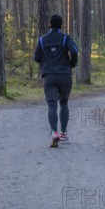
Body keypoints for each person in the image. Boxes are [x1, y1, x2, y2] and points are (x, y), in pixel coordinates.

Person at [34, 14, 79, 147]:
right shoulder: (66, 38)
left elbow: (36, 57)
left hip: (49, 76)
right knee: (64, 103)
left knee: (52, 105)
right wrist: (72, 63)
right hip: (65, 76)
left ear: (49, 25)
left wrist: (46, 62)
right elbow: (75, 51)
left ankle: (54, 132)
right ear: (61, 25)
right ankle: (63, 133)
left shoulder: (43, 40)